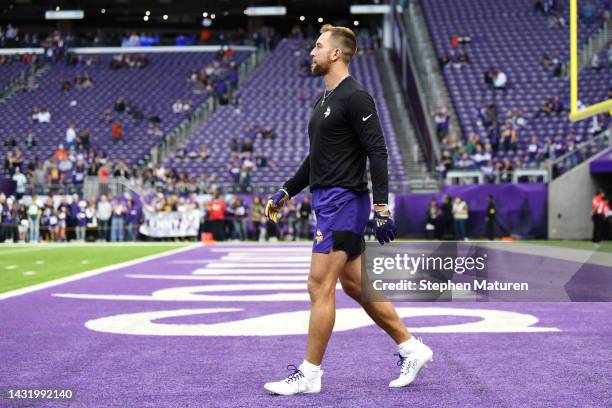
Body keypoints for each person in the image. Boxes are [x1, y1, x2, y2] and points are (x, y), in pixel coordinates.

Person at [263, 25, 432, 396]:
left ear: (336, 54)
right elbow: (314, 160)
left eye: (318, 46)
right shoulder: (323, 101)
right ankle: (411, 347)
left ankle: (310, 373)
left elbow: (378, 152)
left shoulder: (356, 97)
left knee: (318, 284)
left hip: (344, 201)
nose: (312, 52)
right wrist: (285, 192)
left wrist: (382, 207)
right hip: (327, 201)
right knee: (356, 285)